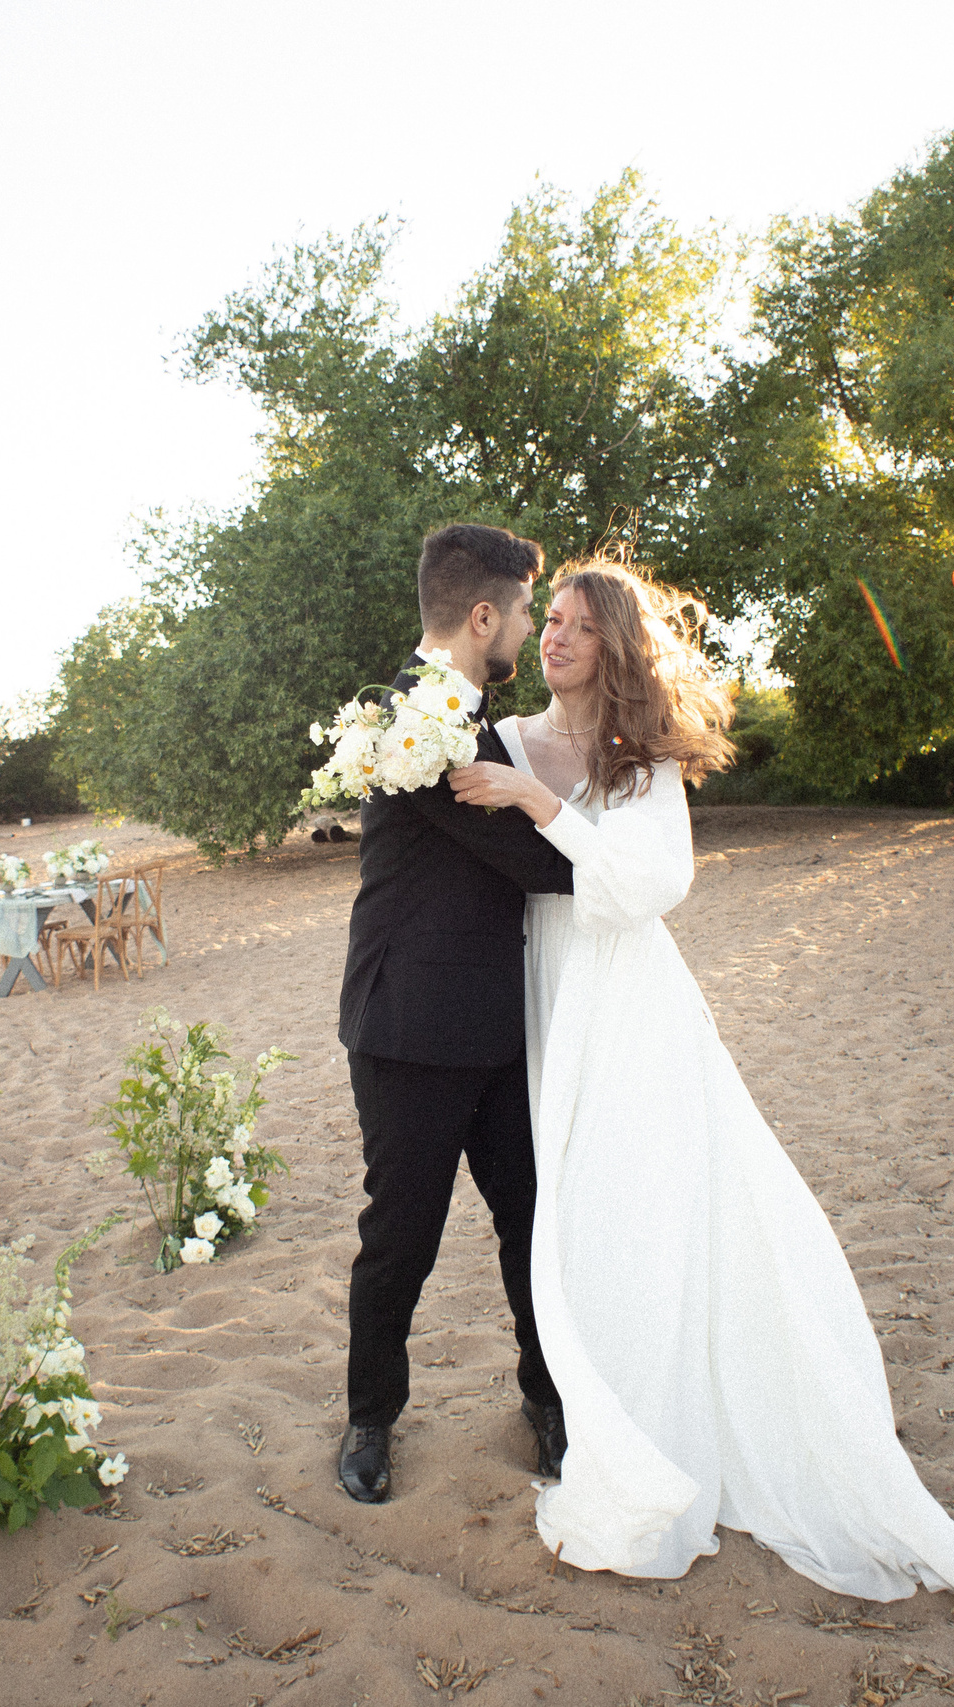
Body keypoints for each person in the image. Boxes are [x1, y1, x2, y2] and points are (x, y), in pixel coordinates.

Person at [444, 561, 954, 1629]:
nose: (558, 638)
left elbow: (645, 889)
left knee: (650, 1205)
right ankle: (600, 1412)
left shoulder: (638, 763)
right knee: (569, 1213)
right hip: (541, 994)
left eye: (579, 625)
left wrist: (543, 809)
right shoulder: (507, 738)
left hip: (626, 1005)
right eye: (553, 622)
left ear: (615, 643)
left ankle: (676, 1424)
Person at [335, 523, 576, 1505]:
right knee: (403, 1234)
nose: (527, 625)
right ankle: (368, 1419)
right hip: (408, 1030)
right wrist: (604, 854)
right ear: (484, 616)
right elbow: (530, 863)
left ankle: (549, 1402)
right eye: (524, 608)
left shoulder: (469, 719)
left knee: (530, 1227)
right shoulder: (414, 720)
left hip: (495, 1028)